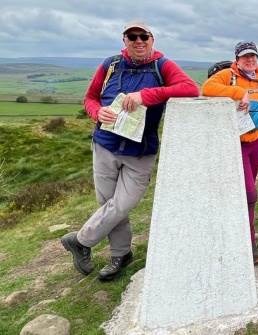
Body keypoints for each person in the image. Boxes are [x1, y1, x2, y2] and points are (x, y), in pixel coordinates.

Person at [61, 21, 199, 280]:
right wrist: (95, 112)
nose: (138, 41)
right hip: (105, 144)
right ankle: (120, 255)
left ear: (152, 39)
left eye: (143, 36)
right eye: (131, 36)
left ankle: (80, 241)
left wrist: (145, 96)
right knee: (108, 205)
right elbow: (90, 98)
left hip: (140, 151)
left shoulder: (162, 65)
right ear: (124, 41)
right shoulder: (110, 64)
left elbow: (190, 89)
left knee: (122, 205)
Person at [202, 41, 258, 265]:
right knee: (250, 194)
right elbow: (207, 89)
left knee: (244, 196)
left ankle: (241, 235)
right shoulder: (228, 75)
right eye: (245, 57)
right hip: (234, 145)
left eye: (253, 56)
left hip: (254, 144)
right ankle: (249, 243)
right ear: (237, 59)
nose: (250, 60)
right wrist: (238, 92)